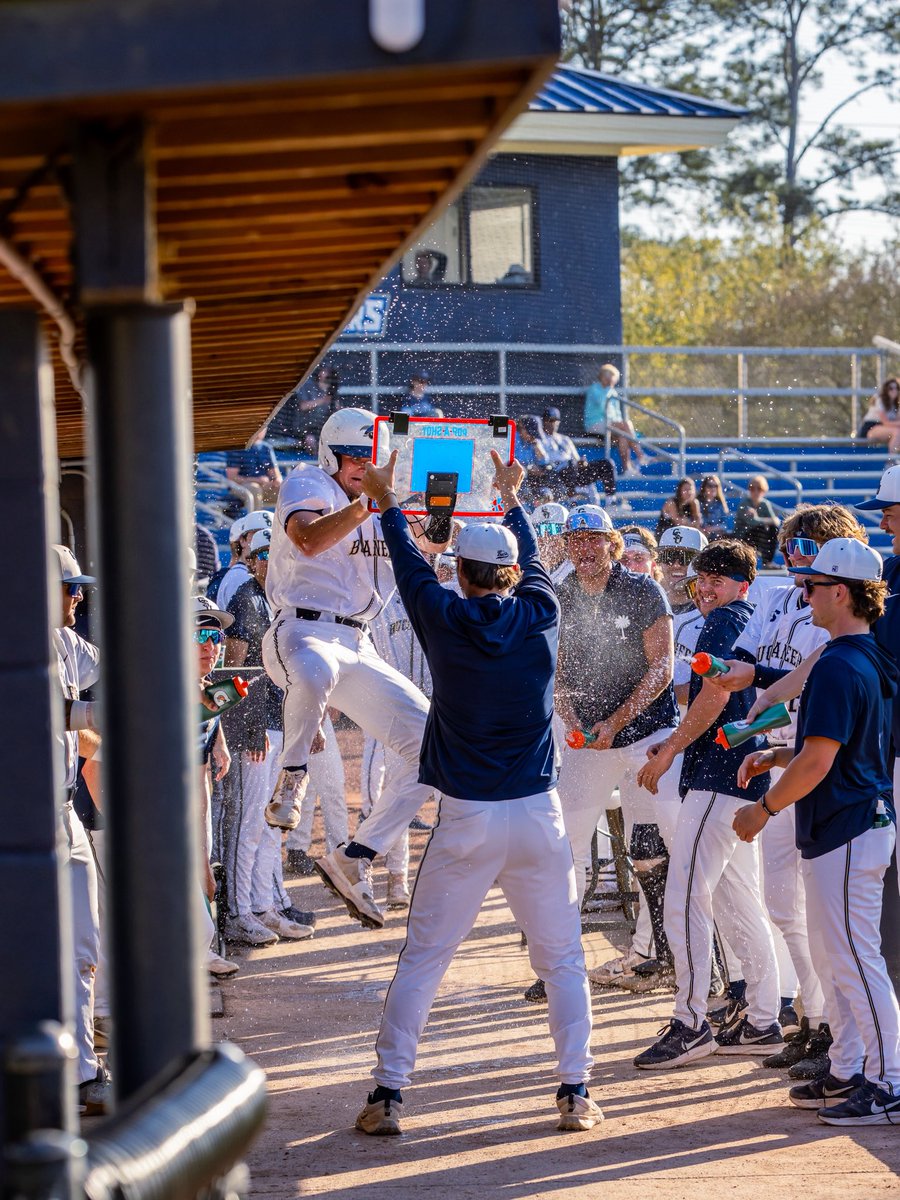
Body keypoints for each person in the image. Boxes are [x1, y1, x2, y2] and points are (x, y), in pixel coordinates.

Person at [352, 450, 602, 1136]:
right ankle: (576, 1090)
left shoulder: (442, 613)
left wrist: (383, 499)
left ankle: (389, 1096)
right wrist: (512, 496)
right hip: (539, 817)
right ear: (514, 574)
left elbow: (405, 559)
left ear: (459, 573)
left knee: (425, 959)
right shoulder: (542, 610)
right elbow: (536, 567)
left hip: (468, 821)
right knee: (562, 959)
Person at [733, 539, 900, 1125]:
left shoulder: (839, 663)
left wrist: (764, 809)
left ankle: (890, 1083)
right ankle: (851, 1067)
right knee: (840, 956)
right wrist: (777, 757)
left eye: (813, 585)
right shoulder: (864, 655)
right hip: (854, 820)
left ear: (842, 592)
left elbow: (819, 762)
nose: (803, 594)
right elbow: (830, 750)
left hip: (848, 825)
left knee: (855, 958)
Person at [261, 408, 447, 930]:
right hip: (299, 628)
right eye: (356, 459)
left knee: (435, 746)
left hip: (358, 641)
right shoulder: (308, 480)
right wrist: (372, 504)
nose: (366, 468)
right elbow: (307, 539)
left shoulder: (383, 499)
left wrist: (441, 506)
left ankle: (355, 855)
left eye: (373, 459)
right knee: (316, 671)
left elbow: (434, 543)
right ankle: (292, 779)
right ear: (331, 456)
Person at [634, 539, 783, 1068]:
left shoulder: (724, 620)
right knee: (738, 900)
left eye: (719, 579)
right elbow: (716, 701)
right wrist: (679, 739)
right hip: (738, 772)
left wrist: (671, 747)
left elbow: (716, 695)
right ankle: (766, 1019)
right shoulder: (754, 615)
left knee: (686, 897)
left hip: (720, 778)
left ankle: (692, 1021)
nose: (707, 587)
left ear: (744, 584)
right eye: (702, 579)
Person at [553, 505, 679, 996]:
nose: (584, 548)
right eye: (575, 539)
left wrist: (616, 722)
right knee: (563, 848)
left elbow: (662, 667)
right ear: (567, 546)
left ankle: (653, 955)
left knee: (650, 849)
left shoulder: (641, 588)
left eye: (593, 539)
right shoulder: (561, 595)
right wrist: (570, 713)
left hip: (645, 738)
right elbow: (557, 668)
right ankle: (560, 963)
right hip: (590, 741)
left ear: (612, 543)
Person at [222, 528, 315, 944]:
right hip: (252, 732)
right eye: (260, 553)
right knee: (247, 826)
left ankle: (263, 905)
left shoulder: (273, 598)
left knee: (267, 825)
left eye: (272, 552)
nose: (266, 560)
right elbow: (235, 669)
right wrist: (248, 726)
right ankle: (240, 912)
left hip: (276, 725)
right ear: (250, 556)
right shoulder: (245, 595)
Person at [52, 545, 109, 1115]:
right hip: (22, 817)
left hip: (64, 811)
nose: (78, 594)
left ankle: (83, 1072)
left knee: (84, 943)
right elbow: (64, 712)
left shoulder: (68, 640)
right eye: (69, 586)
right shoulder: (21, 635)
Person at [583, 363, 643, 476]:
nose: (613, 382)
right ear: (604, 377)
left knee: (623, 436)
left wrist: (620, 426)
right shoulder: (594, 389)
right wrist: (607, 389)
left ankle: (627, 469)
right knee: (626, 425)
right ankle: (641, 455)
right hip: (595, 424)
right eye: (612, 378)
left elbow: (617, 415)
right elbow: (601, 405)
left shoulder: (613, 392)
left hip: (610, 425)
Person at [267, 365, 341, 454]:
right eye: (324, 371)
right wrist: (322, 400)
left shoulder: (332, 390)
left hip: (322, 427)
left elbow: (336, 409)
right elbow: (303, 406)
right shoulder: (308, 386)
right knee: (310, 440)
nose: (324, 374)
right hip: (304, 427)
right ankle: (315, 460)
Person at [214, 511, 273, 612]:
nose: (264, 537)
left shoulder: (246, 574)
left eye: (270, 533)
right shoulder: (240, 577)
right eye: (257, 532)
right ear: (242, 540)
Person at [225, 434, 283, 508]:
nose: (260, 431)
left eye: (263, 427)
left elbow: (275, 474)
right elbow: (232, 478)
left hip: (263, 486)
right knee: (255, 489)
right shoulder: (238, 448)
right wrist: (256, 480)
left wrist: (276, 481)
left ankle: (290, 518)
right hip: (241, 487)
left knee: (286, 489)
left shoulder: (266, 448)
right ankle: (256, 518)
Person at [734, 475, 781, 566]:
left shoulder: (764, 504)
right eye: (752, 488)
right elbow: (751, 522)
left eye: (759, 489)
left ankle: (768, 562)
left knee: (773, 529)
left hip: (758, 534)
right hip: (743, 535)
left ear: (764, 491)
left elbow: (776, 522)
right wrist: (766, 520)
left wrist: (758, 518)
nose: (755, 492)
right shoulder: (744, 503)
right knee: (764, 528)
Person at [858, 377, 900, 458]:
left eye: (897, 388)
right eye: (891, 388)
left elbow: (896, 421)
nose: (894, 390)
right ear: (886, 389)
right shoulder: (879, 399)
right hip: (871, 427)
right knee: (897, 432)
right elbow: (886, 422)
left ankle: (892, 458)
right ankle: (890, 461)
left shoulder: (894, 404)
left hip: (884, 428)